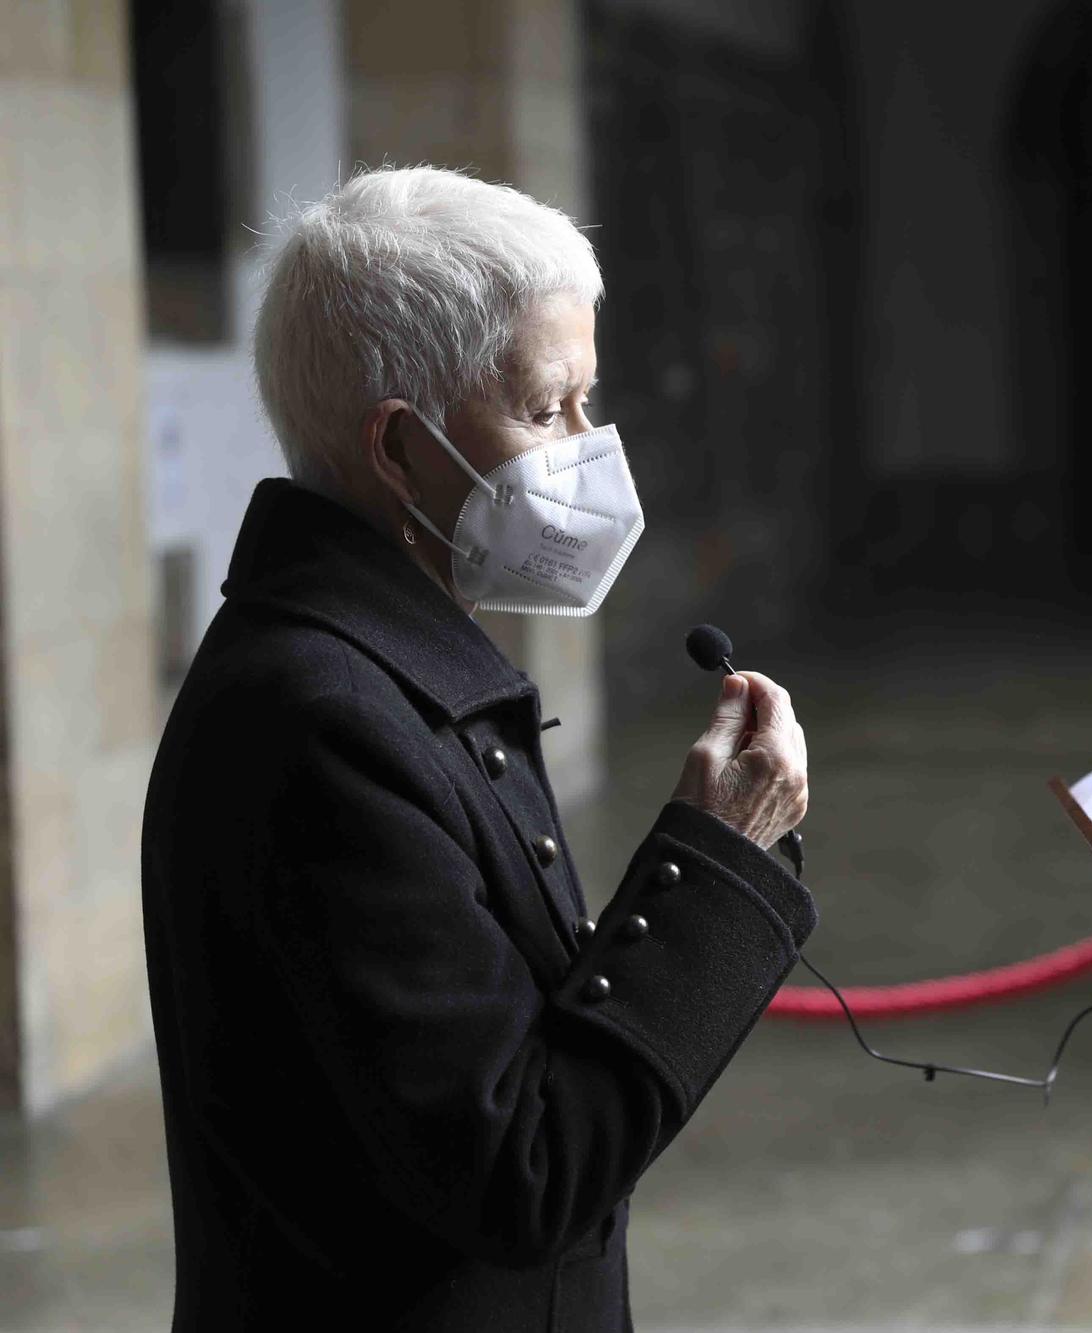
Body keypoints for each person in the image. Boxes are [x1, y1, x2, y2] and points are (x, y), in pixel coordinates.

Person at [141, 167, 815, 1331]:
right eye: (550, 408)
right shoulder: (321, 719)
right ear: (399, 451)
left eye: (587, 401)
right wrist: (718, 857)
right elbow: (523, 1164)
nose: (588, 448)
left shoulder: (375, 662)